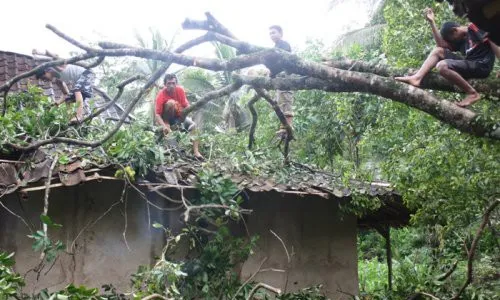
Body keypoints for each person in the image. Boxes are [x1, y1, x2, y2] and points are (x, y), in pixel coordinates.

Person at [395, 8, 500, 107]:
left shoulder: (473, 28)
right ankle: (417, 78)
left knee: (442, 66)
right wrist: (432, 22)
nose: (452, 43)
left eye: (451, 39)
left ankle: (472, 94)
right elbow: (441, 46)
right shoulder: (461, 41)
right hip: (470, 64)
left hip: (482, 65)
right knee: (438, 51)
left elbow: (493, 42)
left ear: (455, 30)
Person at [33, 49, 95, 121]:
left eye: (44, 77)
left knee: (77, 90)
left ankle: (79, 116)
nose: (45, 80)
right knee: (68, 100)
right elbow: (65, 94)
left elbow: (56, 57)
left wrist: (44, 53)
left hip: (86, 73)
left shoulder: (55, 66)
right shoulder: (57, 81)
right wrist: (57, 103)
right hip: (80, 80)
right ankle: (70, 119)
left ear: (47, 71)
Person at [154, 73, 203, 160]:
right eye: (169, 83)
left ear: (176, 83)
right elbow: (157, 114)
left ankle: (196, 152)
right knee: (171, 103)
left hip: (179, 117)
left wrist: (187, 113)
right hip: (166, 119)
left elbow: (186, 105)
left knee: (194, 126)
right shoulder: (161, 95)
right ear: (165, 85)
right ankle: (168, 127)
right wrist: (164, 125)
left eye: (173, 83)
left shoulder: (180, 90)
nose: (171, 85)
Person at [269, 25, 294, 138]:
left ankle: (288, 126)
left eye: (273, 32)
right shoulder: (275, 46)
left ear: (281, 33)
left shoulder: (284, 45)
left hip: (285, 78)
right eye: (270, 33)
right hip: (279, 79)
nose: (271, 35)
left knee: (286, 100)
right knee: (280, 102)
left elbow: (281, 63)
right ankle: (283, 128)